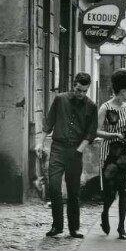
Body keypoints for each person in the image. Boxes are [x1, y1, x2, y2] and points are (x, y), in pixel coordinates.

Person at [35, 72, 98, 238]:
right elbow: (49, 122)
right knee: (54, 187)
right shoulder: (60, 99)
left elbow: (90, 134)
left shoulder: (91, 106)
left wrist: (78, 151)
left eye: (84, 91)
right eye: (78, 90)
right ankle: (57, 226)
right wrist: (40, 142)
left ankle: (74, 228)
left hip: (76, 151)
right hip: (58, 149)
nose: (81, 94)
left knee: (74, 191)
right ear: (74, 84)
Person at [97, 69, 126, 240]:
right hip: (109, 155)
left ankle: (121, 227)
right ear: (122, 91)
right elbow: (96, 132)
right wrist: (114, 135)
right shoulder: (105, 108)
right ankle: (105, 213)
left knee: (124, 190)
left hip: (125, 155)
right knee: (110, 192)